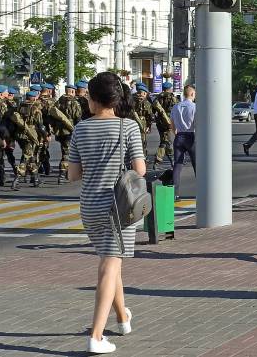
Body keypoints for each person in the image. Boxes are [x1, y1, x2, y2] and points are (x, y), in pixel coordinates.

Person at [67, 72, 145, 354]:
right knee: (108, 267)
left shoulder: (80, 128)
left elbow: (73, 174)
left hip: (89, 206)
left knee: (112, 262)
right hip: (118, 207)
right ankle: (96, 336)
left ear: (94, 98)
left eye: (87, 96)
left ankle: (123, 318)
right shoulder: (129, 127)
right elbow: (140, 170)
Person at [11, 90, 45, 189]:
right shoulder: (35, 109)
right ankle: (16, 180)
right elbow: (40, 126)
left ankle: (35, 179)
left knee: (30, 156)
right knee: (26, 157)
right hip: (31, 135)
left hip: (20, 135)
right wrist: (45, 136)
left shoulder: (19, 107)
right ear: (34, 98)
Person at [171, 84, 196, 196]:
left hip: (179, 136)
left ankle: (175, 194)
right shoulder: (195, 107)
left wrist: (175, 132)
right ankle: (202, 191)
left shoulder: (176, 107)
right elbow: (197, 123)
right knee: (196, 164)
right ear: (191, 94)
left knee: (178, 164)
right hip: (190, 136)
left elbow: (171, 123)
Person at [55, 84, 83, 182]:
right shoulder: (74, 102)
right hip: (70, 130)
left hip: (60, 130)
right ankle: (62, 174)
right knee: (67, 153)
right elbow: (78, 117)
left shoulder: (59, 101)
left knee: (64, 150)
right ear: (72, 91)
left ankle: (66, 173)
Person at [152, 82, 178, 169]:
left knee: (165, 140)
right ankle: (158, 161)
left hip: (160, 123)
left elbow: (153, 111)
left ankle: (171, 160)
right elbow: (176, 109)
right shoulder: (171, 97)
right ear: (169, 88)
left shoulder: (158, 97)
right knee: (166, 142)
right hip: (169, 122)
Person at [132, 83, 154, 157]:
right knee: (142, 142)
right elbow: (150, 115)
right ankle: (142, 157)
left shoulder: (131, 100)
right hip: (142, 124)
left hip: (131, 124)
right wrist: (149, 126)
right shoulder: (146, 102)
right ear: (144, 93)